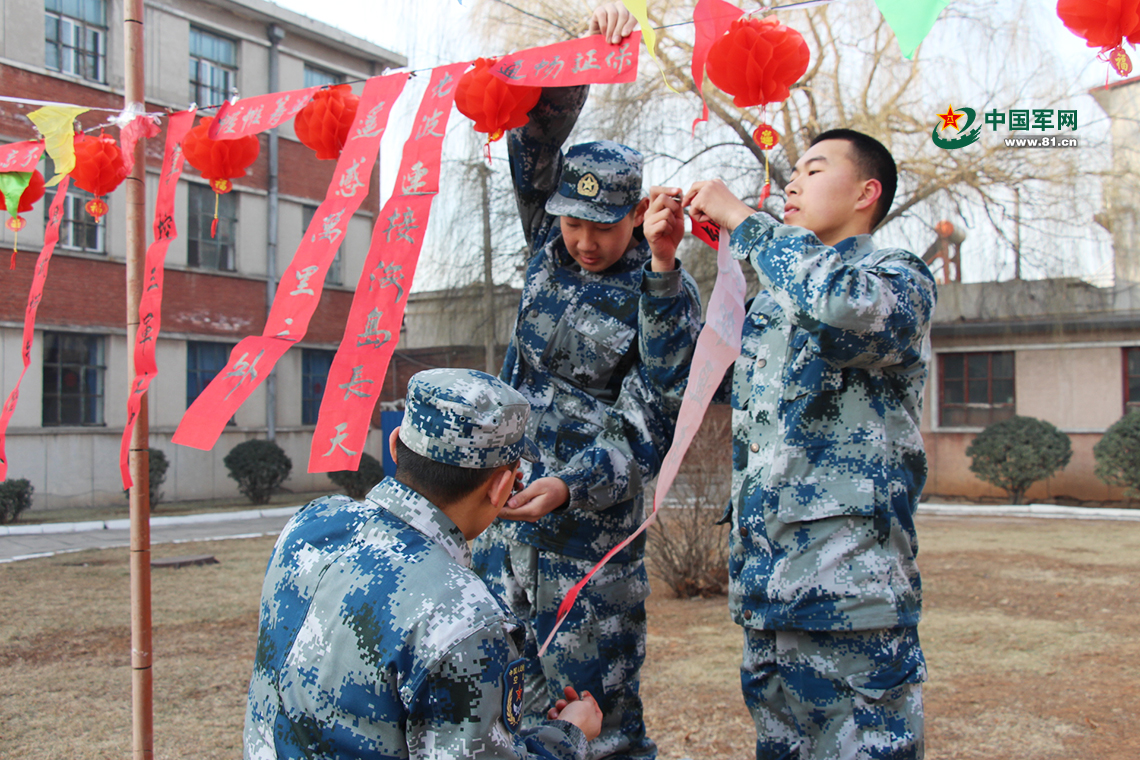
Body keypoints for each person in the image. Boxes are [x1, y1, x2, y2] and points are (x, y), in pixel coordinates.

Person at [470, 5, 701, 759]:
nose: (585, 240)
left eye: (604, 225)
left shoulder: (662, 292)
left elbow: (650, 428)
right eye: (574, 221)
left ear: (637, 213)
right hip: (506, 523)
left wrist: (570, 484)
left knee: (599, 721)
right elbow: (534, 134)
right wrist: (586, 54)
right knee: (507, 707)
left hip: (589, 544)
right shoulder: (546, 242)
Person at [682, 130, 937, 759]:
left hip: (853, 604)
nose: (791, 184)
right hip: (769, 604)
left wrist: (745, 221)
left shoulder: (894, 280)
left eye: (814, 170)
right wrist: (664, 270)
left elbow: (840, 306)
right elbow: (688, 386)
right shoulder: (772, 308)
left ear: (866, 194)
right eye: (791, 172)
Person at [244, 368, 603, 760]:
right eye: (514, 481)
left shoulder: (310, 523)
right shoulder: (462, 616)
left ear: (396, 446)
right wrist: (570, 735)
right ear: (501, 487)